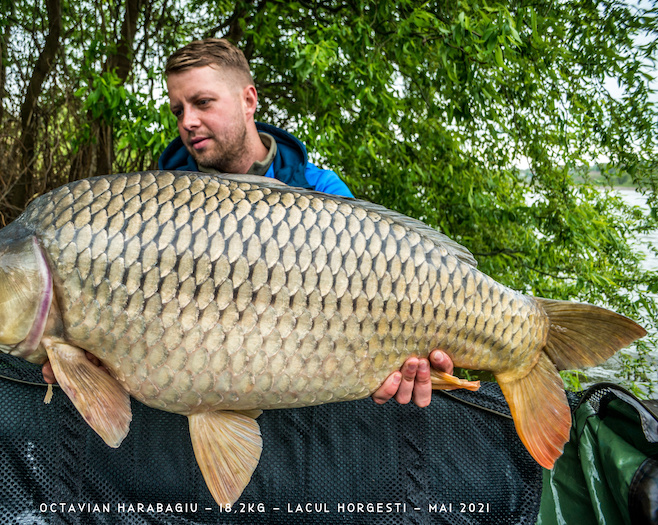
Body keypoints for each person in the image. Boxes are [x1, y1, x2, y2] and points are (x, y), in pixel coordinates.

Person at [156, 38, 455, 407]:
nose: (188, 121)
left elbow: (370, 296)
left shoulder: (321, 190)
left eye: (202, 103)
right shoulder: (157, 209)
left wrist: (388, 363)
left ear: (248, 100)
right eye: (177, 110)